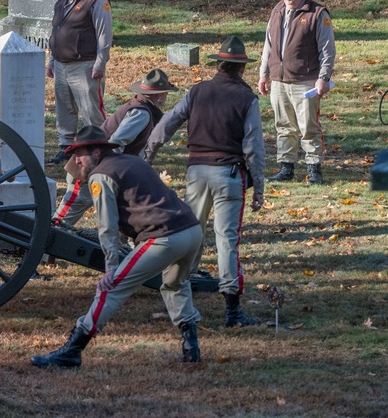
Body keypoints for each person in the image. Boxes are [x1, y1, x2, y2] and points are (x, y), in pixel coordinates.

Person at [31, 126, 204, 370]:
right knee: (175, 284)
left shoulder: (101, 176)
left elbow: (107, 227)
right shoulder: (130, 161)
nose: (76, 159)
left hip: (163, 237)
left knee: (110, 290)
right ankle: (191, 347)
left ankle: (72, 351)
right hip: (191, 231)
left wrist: (111, 269)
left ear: (97, 153)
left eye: (81, 153)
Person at [144, 36, 265, 327]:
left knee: (189, 234)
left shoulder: (197, 91)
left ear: (218, 64)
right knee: (227, 240)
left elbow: (168, 122)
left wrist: (149, 152)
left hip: (196, 172)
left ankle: (177, 293)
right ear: (242, 69)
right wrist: (259, 185)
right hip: (229, 175)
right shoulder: (247, 99)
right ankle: (232, 309)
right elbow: (254, 147)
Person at [53, 68, 177, 229]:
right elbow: (118, 142)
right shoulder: (141, 113)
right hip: (88, 168)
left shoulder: (142, 108)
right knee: (62, 219)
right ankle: (42, 247)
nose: (166, 97)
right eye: (165, 93)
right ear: (158, 96)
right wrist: (110, 170)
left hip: (106, 171)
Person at [258, 0, 336, 185]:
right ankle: (286, 167)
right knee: (283, 126)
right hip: (279, 81)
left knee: (309, 126)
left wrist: (324, 77)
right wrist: (264, 74)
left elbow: (327, 49)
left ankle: (314, 169)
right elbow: (268, 45)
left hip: (306, 81)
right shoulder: (276, 12)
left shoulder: (317, 13)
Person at [46, 0, 112, 165]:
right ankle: (66, 148)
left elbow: (104, 36)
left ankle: (100, 148)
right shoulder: (63, 1)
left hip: (85, 65)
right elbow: (55, 32)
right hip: (61, 65)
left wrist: (100, 64)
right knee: (64, 109)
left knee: (91, 110)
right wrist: (51, 60)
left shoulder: (97, 1)